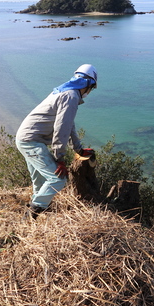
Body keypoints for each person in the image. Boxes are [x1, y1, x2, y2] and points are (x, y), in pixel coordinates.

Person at [15, 64, 97, 218]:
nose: (90, 92)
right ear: (88, 85)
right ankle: (34, 210)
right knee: (58, 179)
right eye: (92, 88)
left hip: (25, 139)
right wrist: (60, 159)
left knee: (39, 180)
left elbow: (68, 125)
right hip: (31, 141)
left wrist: (78, 149)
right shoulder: (71, 97)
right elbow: (61, 130)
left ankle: (36, 214)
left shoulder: (64, 91)